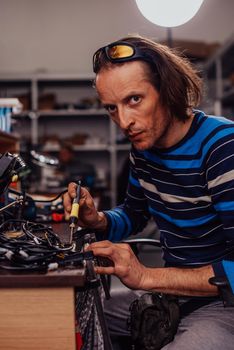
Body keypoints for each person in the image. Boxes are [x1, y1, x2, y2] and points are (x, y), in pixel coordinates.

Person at [63, 35, 234, 348]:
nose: (125, 121)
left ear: (168, 90)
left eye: (134, 100)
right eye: (112, 108)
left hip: (223, 306)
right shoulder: (143, 150)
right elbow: (134, 213)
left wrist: (146, 277)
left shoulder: (222, 148)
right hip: (174, 298)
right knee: (68, 316)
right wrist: (97, 219)